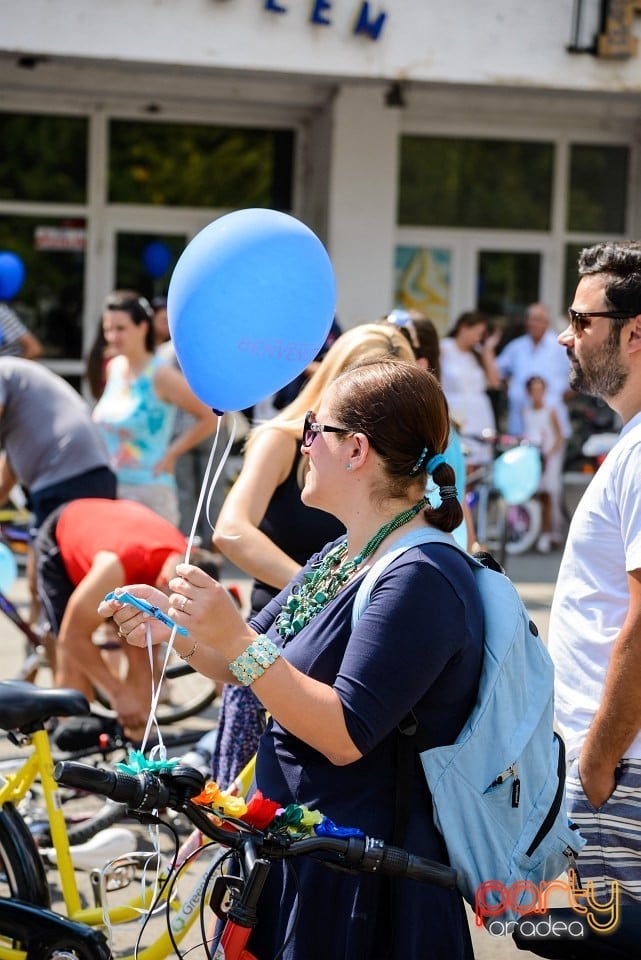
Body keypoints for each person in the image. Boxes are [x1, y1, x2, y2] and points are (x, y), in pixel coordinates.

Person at [101, 357, 484, 959]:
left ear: (356, 450)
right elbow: (238, 661)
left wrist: (239, 642)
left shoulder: (421, 575)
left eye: (314, 430)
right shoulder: (344, 551)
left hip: (363, 881)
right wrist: (170, 627)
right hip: (305, 852)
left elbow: (342, 733)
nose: (302, 445)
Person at [208, 322, 414, 787]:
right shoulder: (282, 438)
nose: (377, 407)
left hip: (340, 652)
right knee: (241, 812)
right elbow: (231, 530)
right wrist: (321, 589)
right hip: (277, 634)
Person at [548, 240, 641, 904]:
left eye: (581, 322)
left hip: (622, 770)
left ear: (634, 335)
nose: (564, 336)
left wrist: (597, 763)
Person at [35, 497, 219, 736]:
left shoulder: (190, 566)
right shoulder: (114, 567)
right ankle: (69, 740)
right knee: (73, 664)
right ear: (165, 584)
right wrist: (118, 693)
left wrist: (221, 672)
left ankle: (136, 741)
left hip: (123, 528)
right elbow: (72, 638)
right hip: (68, 528)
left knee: (143, 649)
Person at [91, 290, 218, 527]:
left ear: (142, 327)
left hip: (149, 492)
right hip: (111, 490)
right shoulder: (114, 368)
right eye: (108, 329)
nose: (112, 336)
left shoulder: (160, 374)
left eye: (121, 328)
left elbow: (209, 417)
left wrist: (170, 454)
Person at [496, 302, 572, 542]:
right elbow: (498, 372)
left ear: (546, 322)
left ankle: (550, 532)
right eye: (530, 319)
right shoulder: (516, 347)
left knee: (550, 485)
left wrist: (559, 398)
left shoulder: (559, 347)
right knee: (524, 481)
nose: (534, 324)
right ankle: (523, 529)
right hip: (522, 425)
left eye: (538, 319)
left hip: (550, 425)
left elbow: (576, 377)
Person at [439, 311, 502, 467]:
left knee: (476, 462)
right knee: (454, 457)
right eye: (476, 332)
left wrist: (488, 351)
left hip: (478, 412)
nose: (478, 338)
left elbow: (495, 383)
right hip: (453, 409)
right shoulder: (445, 347)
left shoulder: (478, 354)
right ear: (463, 327)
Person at [522, 375, 564, 554]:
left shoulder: (550, 410)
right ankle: (533, 532)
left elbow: (559, 435)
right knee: (534, 495)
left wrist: (548, 453)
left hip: (548, 458)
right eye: (534, 390)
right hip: (532, 457)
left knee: (547, 495)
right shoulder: (525, 410)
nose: (537, 394)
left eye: (540, 390)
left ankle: (547, 533)